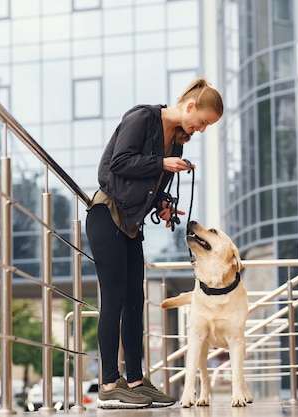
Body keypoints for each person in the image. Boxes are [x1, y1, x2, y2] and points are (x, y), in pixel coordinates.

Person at [85, 77, 224, 409]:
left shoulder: (176, 142)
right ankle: (108, 384)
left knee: (136, 300)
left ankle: (134, 380)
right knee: (115, 298)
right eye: (203, 121)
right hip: (106, 216)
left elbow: (148, 182)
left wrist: (162, 204)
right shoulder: (143, 118)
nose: (201, 129)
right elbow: (115, 165)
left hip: (131, 224)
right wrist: (160, 163)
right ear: (190, 106)